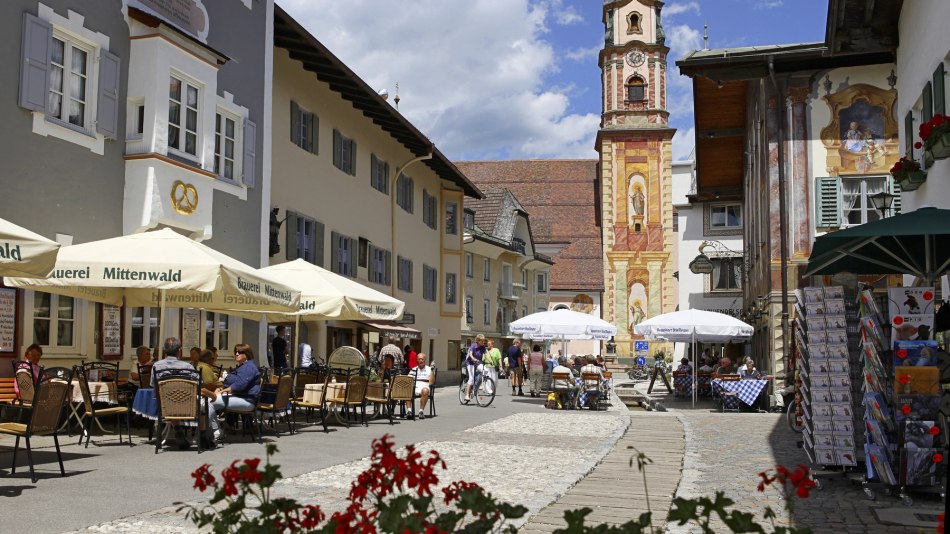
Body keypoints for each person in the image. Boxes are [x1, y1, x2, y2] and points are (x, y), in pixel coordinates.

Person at [152, 337, 204, 448]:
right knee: (204, 406)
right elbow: (200, 383)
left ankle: (177, 429)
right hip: (187, 405)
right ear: (179, 351)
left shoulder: (156, 366)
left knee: (170, 399)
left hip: (166, 405)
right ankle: (203, 436)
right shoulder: (188, 366)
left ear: (165, 351)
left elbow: (153, 385)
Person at [211, 344, 262, 441]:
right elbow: (233, 381)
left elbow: (240, 385)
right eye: (236, 352)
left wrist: (223, 390)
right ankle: (215, 430)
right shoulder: (243, 366)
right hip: (240, 397)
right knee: (208, 401)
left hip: (247, 401)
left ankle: (215, 431)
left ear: (246, 354)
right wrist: (222, 388)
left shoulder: (249, 367)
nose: (237, 354)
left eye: (240, 352)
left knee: (209, 403)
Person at [407, 353, 433, 419]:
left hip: (425, 385)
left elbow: (432, 381)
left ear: (425, 360)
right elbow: (408, 380)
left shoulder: (429, 369)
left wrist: (432, 371)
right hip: (415, 385)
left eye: (422, 359)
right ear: (417, 360)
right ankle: (409, 411)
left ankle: (421, 411)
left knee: (425, 390)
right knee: (407, 390)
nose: (421, 360)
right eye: (419, 359)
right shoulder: (413, 369)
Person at [463, 334, 487, 403]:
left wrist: (490, 361)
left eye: (483, 341)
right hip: (470, 363)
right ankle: (467, 395)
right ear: (478, 341)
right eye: (482, 341)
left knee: (483, 371)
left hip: (477, 363)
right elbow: (470, 353)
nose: (483, 343)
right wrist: (473, 358)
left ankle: (477, 386)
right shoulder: (473, 345)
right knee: (471, 378)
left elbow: (486, 355)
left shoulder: (483, 347)